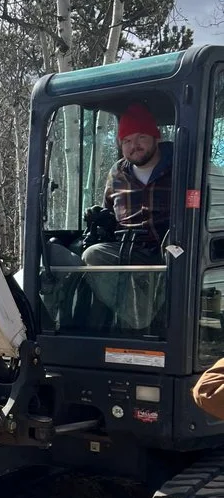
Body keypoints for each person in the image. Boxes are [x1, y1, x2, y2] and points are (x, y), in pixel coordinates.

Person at [82, 103, 172, 329]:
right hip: (128, 251)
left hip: (169, 252)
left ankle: (152, 321)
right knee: (93, 255)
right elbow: (110, 211)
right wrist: (99, 217)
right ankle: (137, 319)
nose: (134, 146)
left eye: (141, 137)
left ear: (156, 137)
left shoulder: (181, 165)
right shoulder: (117, 173)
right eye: (127, 141)